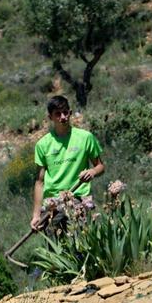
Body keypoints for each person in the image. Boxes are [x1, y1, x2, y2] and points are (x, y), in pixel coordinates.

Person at [29, 96, 105, 231]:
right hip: (53, 203)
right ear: (50, 117)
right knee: (54, 247)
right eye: (57, 114)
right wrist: (36, 215)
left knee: (82, 247)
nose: (63, 117)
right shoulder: (42, 145)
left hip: (79, 199)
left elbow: (100, 166)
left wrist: (92, 172)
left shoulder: (85, 137)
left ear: (70, 113)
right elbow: (40, 182)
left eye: (65, 112)